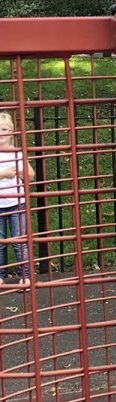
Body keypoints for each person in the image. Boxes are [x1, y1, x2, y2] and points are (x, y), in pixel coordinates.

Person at [0, 110, 35, 286]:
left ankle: (25, 276)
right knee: (0, 243)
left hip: (16, 202)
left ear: (11, 132)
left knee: (19, 241)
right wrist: (3, 174)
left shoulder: (17, 153)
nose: (1, 133)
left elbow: (31, 175)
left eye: (4, 129)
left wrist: (20, 171)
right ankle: (0, 275)